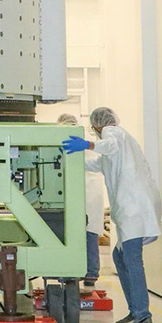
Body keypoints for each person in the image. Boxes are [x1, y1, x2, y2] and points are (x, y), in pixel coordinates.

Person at [62, 107, 162, 323]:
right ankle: (135, 312)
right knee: (119, 257)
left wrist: (87, 145)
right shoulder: (116, 150)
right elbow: (97, 163)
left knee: (132, 260)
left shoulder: (114, 133)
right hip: (131, 209)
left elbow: (109, 145)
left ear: (98, 125)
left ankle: (142, 317)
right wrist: (67, 156)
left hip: (135, 208)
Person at [57, 113, 106, 286]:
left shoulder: (61, 137)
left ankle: (70, 273)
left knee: (72, 233)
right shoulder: (86, 138)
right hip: (92, 189)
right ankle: (91, 273)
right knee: (90, 233)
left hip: (78, 188)